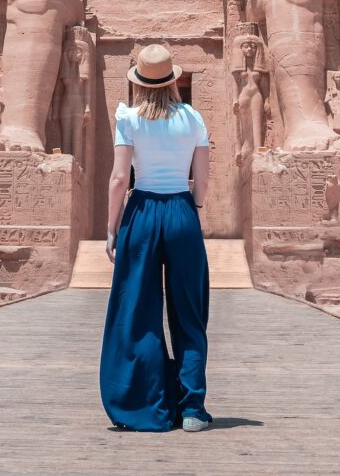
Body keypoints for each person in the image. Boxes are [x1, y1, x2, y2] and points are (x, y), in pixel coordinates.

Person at [99, 44, 213, 433]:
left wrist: (112, 227)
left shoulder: (128, 118)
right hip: (182, 210)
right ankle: (192, 408)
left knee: (138, 312)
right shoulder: (193, 118)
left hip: (143, 210)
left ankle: (146, 402)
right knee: (189, 313)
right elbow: (202, 180)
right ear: (173, 81)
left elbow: (118, 179)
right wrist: (191, 209)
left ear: (139, 84)